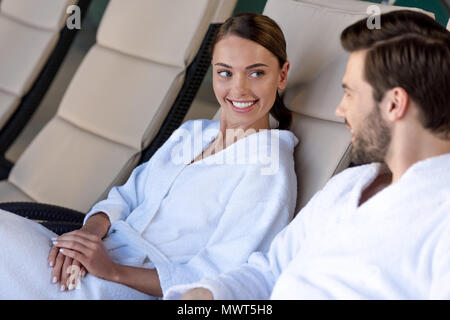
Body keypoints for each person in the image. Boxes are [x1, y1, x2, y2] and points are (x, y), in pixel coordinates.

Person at [0, 13, 299, 299]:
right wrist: (88, 236)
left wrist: (113, 272)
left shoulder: (268, 168)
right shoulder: (192, 134)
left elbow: (219, 275)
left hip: (122, 286)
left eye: (256, 73)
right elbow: (128, 196)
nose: (239, 89)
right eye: (225, 72)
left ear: (282, 75)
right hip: (92, 256)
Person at [167, 10, 450, 300]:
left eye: (350, 94)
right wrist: (208, 296)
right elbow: (269, 270)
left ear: (394, 104)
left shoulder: (441, 217)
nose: (340, 110)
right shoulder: (350, 185)